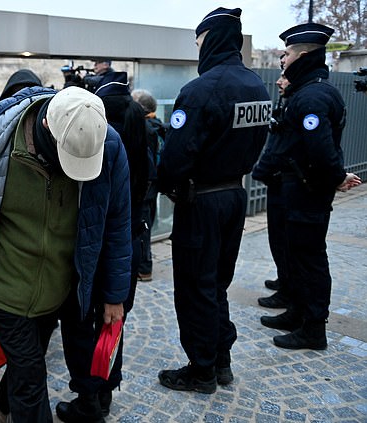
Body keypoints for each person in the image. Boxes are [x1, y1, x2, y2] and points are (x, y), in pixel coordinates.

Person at [0, 85, 132, 423]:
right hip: (5, 289)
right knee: (31, 374)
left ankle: (6, 400)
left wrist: (114, 295)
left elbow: (117, 223)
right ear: (47, 127)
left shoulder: (108, 144)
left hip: (63, 288)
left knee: (27, 361)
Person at [156, 7, 272, 394]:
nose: (197, 48)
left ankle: (201, 369)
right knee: (217, 283)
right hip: (235, 196)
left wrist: (166, 184)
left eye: (199, 41)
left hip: (201, 202)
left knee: (195, 285)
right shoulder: (256, 86)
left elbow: (174, 157)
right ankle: (221, 360)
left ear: (211, 39)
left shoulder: (200, 90)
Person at [252, 23, 361, 350]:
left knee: (310, 259)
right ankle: (298, 311)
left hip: (306, 191)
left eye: (286, 53)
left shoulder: (313, 96)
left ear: (303, 55)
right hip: (297, 189)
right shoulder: (306, 91)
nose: (282, 60)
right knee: (297, 256)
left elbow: (321, 150)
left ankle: (313, 328)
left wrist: (337, 177)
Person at [56, 71, 148, 422]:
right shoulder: (139, 126)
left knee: (81, 326)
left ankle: (89, 399)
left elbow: (108, 218)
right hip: (131, 237)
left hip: (102, 241)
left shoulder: (104, 139)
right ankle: (105, 390)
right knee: (112, 323)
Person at [253, 72, 292, 310]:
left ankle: (289, 291)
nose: (279, 81)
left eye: (284, 77)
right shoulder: (286, 102)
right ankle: (285, 281)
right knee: (278, 239)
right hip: (279, 183)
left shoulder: (303, 102)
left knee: (286, 242)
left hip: (287, 184)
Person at [131, 88, 167, 282]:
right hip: (153, 186)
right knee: (148, 222)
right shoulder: (158, 125)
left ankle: (144, 268)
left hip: (145, 186)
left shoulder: (145, 129)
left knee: (143, 226)